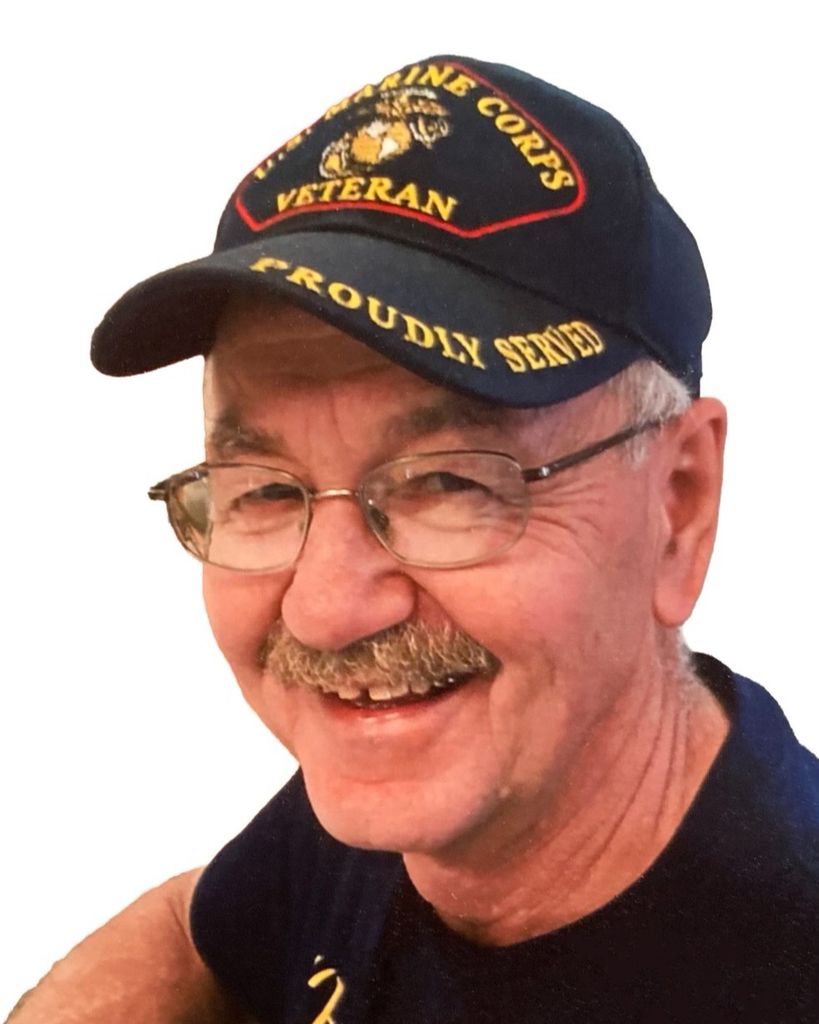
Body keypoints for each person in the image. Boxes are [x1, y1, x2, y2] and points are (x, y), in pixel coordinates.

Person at [8, 54, 817, 1024]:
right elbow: (199, 923)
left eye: (448, 482)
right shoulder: (411, 784)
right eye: (264, 490)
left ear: (678, 505)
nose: (326, 610)